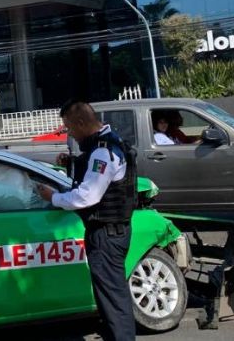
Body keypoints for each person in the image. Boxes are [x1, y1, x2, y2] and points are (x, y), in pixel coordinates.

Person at [36, 101, 136, 341]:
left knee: (114, 301)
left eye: (69, 127)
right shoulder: (109, 143)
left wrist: (53, 197)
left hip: (106, 234)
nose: (69, 133)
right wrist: (71, 163)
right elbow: (98, 173)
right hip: (111, 231)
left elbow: (88, 196)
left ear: (81, 123)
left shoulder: (103, 151)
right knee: (110, 299)